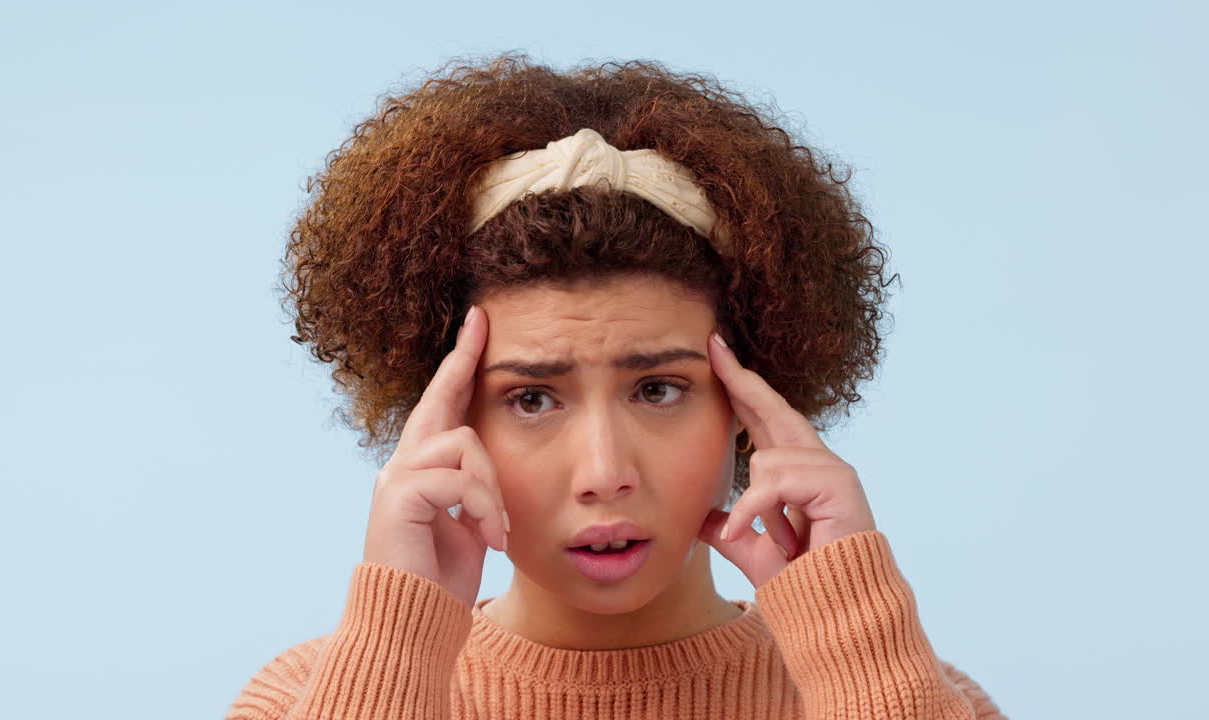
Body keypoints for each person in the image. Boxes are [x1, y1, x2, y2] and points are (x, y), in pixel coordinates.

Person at [225, 52, 1006, 719]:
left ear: (748, 403)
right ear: (451, 421)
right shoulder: (306, 697)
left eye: (658, 389)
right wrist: (395, 645)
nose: (605, 474)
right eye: (531, 399)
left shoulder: (906, 692)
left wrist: (857, 642)